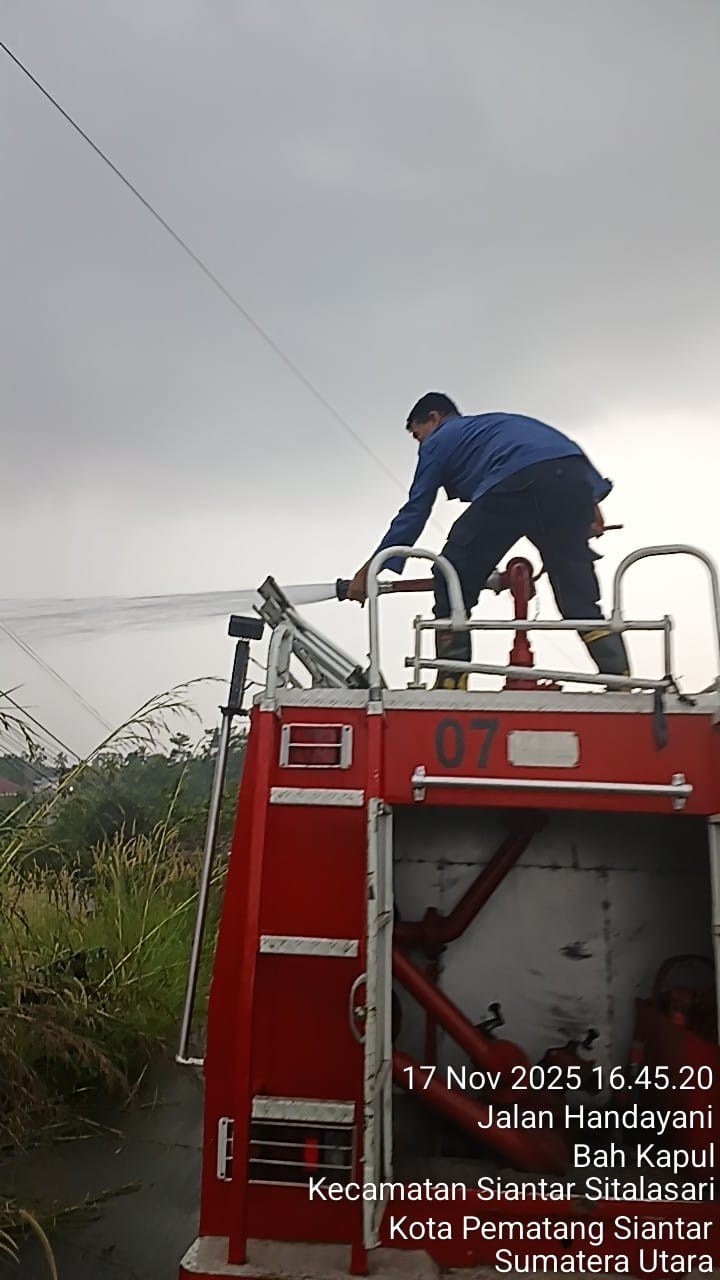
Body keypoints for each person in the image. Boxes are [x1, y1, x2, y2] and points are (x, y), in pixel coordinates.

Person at [346, 392, 630, 689]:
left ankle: (451, 680)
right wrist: (588, 508)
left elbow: (416, 510)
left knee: (451, 574)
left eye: (418, 436)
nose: (421, 445)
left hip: (514, 483)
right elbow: (564, 457)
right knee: (576, 590)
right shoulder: (501, 426)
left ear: (433, 418)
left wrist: (369, 571)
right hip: (569, 477)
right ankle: (618, 674)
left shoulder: (441, 438)